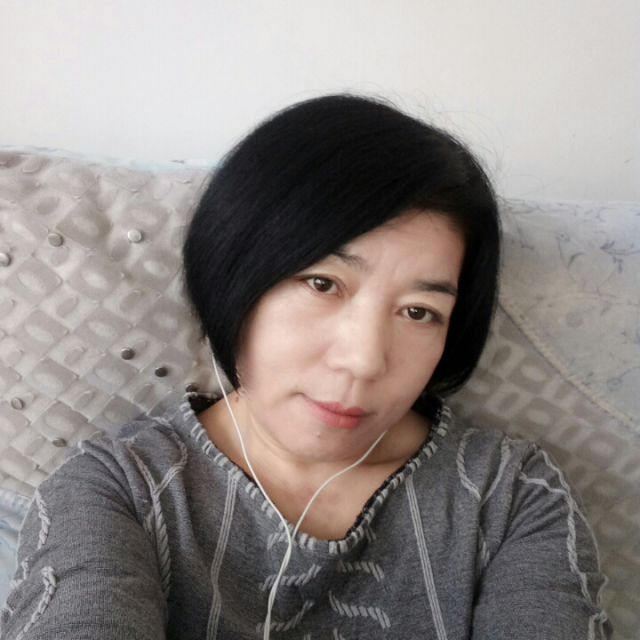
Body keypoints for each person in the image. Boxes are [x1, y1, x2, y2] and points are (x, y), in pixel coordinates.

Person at [0, 95, 611, 639]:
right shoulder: (117, 489)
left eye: (419, 311)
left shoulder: (508, 495)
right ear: (237, 275)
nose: (364, 360)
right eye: (322, 283)